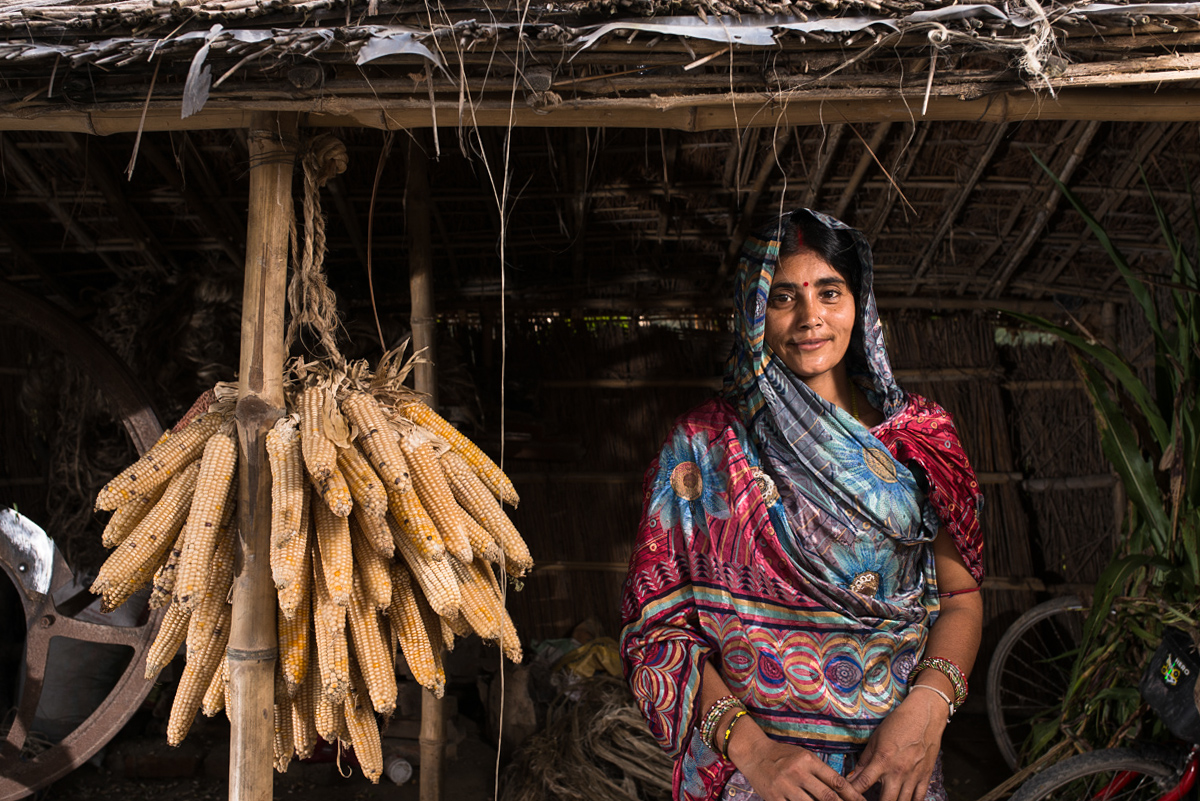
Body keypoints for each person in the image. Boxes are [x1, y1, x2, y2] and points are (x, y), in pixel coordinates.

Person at [619, 209, 984, 801]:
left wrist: (927, 711)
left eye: (830, 293)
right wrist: (757, 754)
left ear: (858, 304)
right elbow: (655, 631)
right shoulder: (704, 447)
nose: (810, 318)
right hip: (749, 776)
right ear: (754, 312)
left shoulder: (919, 437)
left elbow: (962, 599)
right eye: (784, 297)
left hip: (891, 766)